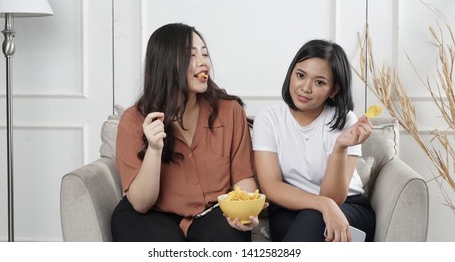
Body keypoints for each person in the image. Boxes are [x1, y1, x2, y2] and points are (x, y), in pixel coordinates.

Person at [111, 23, 260, 242]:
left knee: (226, 233)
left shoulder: (230, 112)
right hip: (152, 216)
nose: (203, 62)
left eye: (205, 54)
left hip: (212, 214)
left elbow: (243, 179)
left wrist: (247, 211)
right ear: (166, 63)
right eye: (191, 55)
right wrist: (154, 150)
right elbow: (141, 203)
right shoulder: (134, 120)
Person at [252, 39, 376, 242]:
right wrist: (323, 204)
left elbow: (334, 198)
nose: (305, 88)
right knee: (307, 221)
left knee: (312, 220)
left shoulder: (346, 120)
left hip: (348, 206)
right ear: (291, 73)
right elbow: (271, 186)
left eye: (319, 82)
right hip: (290, 207)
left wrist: (340, 147)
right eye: (300, 75)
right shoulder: (269, 119)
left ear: (333, 90)